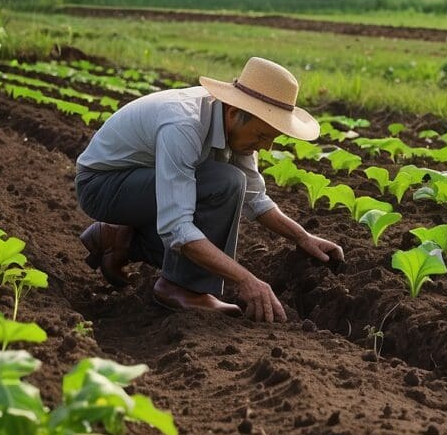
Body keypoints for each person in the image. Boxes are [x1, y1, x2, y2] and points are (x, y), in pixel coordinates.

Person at [74, 57, 343, 323]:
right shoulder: (184, 124)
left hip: (139, 184)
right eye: (262, 136)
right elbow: (176, 226)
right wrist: (245, 279)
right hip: (101, 186)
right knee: (225, 183)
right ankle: (180, 287)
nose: (265, 147)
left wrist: (302, 237)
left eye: (272, 139)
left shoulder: (236, 129)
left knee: (229, 185)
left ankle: (120, 239)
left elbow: (255, 198)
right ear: (234, 112)